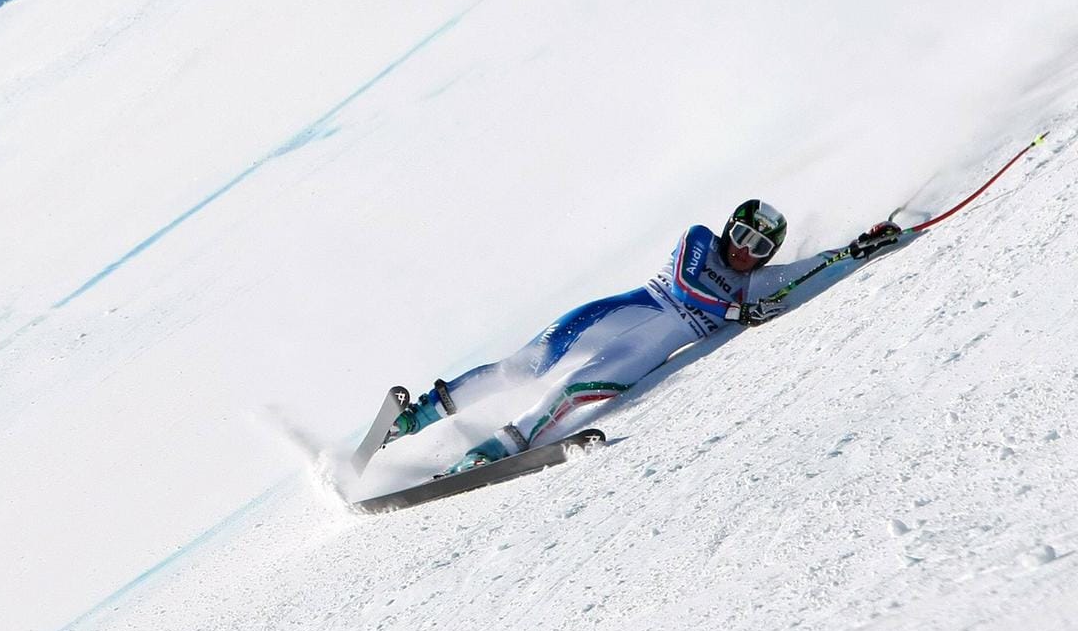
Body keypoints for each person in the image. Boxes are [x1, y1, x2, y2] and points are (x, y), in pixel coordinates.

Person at [383, 200, 903, 473]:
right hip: (619, 313)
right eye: (743, 236)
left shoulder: (755, 283)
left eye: (761, 247)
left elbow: (813, 269)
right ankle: (417, 416)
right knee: (525, 367)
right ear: (728, 228)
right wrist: (732, 309)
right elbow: (681, 283)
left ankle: (486, 456)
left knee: (567, 396)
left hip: (644, 352)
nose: (747, 252)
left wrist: (861, 247)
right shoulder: (700, 240)